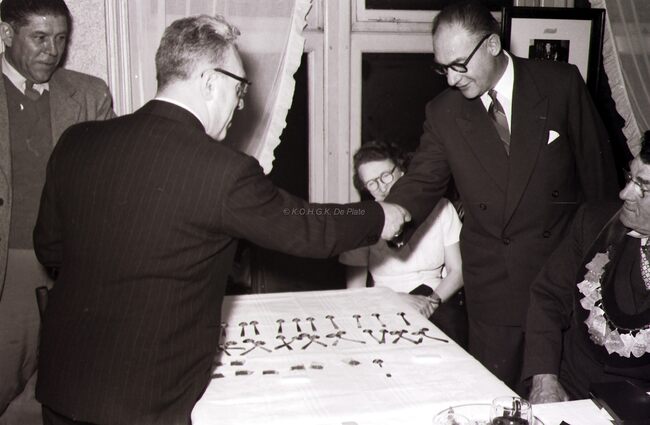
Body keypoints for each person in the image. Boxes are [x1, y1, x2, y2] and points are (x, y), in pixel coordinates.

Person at [32, 14, 408, 425]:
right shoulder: (223, 171)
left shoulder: (77, 142)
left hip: (62, 388)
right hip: (144, 401)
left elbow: (49, 248)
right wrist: (377, 215)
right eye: (239, 88)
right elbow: (304, 226)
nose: (241, 103)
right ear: (210, 82)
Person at [383, 0, 618, 392]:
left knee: (562, 398)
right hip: (494, 289)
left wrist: (607, 269)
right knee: (496, 398)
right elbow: (422, 180)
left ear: (492, 45)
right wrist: (390, 213)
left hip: (561, 278)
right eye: (442, 68)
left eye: (459, 65)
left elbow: (600, 182)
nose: (451, 79)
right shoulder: (443, 112)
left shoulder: (560, 84)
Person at [0, 0, 115, 422]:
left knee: (67, 389)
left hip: (73, 266)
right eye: (40, 38)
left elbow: (112, 179)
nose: (53, 51)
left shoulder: (89, 93)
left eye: (61, 38)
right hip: (9, 263)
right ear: (7, 33)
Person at [523, 132, 650, 403]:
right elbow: (547, 297)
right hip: (571, 388)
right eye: (630, 177)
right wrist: (544, 380)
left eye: (643, 187)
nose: (624, 193)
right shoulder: (594, 221)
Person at [339, 141, 467, 346]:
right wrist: (396, 299)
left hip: (438, 298)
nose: (382, 187)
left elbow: (457, 271)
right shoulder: (363, 220)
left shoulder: (442, 208)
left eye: (385, 175)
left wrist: (430, 303)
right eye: (371, 183)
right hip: (382, 303)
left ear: (402, 169)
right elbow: (355, 291)